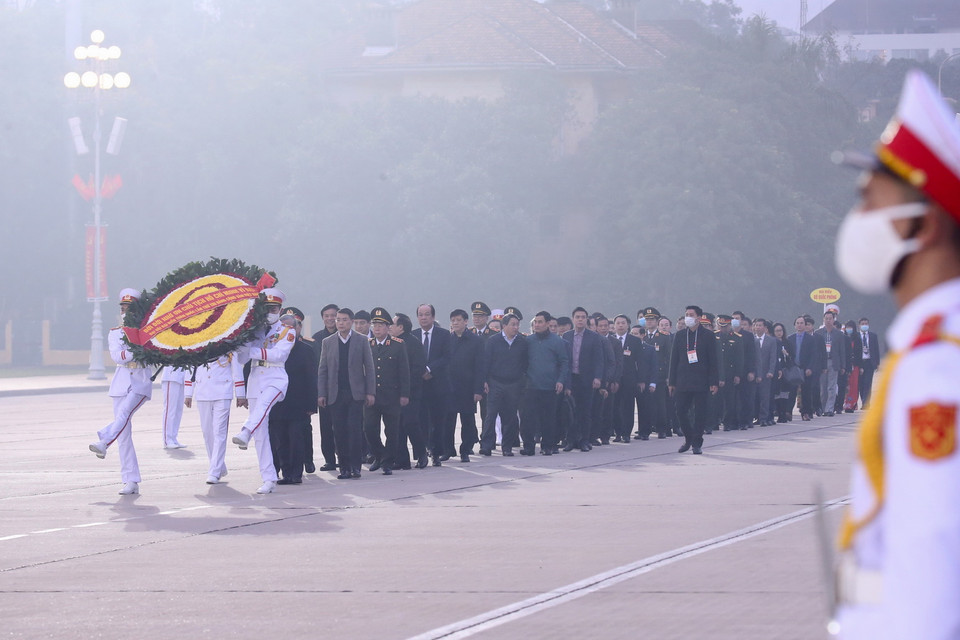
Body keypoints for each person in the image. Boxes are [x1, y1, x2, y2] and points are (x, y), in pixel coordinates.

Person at [833, 70, 960, 639]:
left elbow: (934, 546)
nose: (857, 220)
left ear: (925, 226)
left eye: (869, 201)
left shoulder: (938, 364)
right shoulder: (928, 346)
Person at [230, 288, 295, 494]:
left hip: (275, 377)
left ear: (280, 310)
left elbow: (279, 355)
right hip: (255, 379)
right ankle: (268, 478)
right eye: (266, 309)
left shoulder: (287, 330)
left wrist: (251, 350)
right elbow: (242, 359)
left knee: (264, 406)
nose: (270, 312)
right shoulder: (254, 331)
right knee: (261, 432)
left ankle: (245, 431)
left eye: (274, 309)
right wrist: (237, 344)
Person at [88, 288, 153, 495]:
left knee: (123, 414)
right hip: (121, 383)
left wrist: (140, 345)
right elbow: (118, 357)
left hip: (140, 382)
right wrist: (137, 348)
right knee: (123, 434)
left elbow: (152, 353)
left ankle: (104, 440)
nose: (125, 312)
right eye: (123, 308)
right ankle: (130, 480)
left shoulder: (148, 330)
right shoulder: (115, 332)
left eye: (129, 308)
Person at [316, 308, 376, 479]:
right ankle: (344, 468)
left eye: (344, 320)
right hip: (335, 394)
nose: (340, 323)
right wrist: (322, 393)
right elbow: (323, 369)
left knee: (354, 430)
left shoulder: (361, 340)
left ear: (351, 322)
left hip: (355, 394)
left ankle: (356, 466)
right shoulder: (328, 342)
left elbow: (369, 367)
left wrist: (370, 392)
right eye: (338, 320)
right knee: (339, 431)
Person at [268, 313, 318, 485]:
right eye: (283, 327)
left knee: (296, 440)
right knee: (280, 441)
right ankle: (286, 473)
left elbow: (312, 379)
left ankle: (296, 474)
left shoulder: (306, 350)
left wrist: (311, 404)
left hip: (298, 404)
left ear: (297, 329)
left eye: (291, 327)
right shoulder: (272, 349)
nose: (287, 330)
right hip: (277, 403)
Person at [185, 350, 247, 484]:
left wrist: (240, 394)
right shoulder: (197, 343)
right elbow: (191, 367)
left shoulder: (228, 343)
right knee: (207, 433)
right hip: (202, 390)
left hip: (223, 390)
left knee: (219, 432)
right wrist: (188, 393)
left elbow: (237, 369)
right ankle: (220, 466)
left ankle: (214, 472)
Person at [363, 308, 409, 476]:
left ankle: (388, 462)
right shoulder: (367, 344)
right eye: (374, 325)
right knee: (369, 429)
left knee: (392, 431)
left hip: (391, 396)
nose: (377, 328)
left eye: (381, 325)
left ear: (388, 327)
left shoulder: (398, 345)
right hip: (372, 396)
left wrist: (405, 394)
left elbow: (404, 371)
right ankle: (379, 455)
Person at [668, 305, 719, 455]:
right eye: (686, 314)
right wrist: (671, 382)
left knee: (700, 413)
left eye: (691, 314)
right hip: (682, 380)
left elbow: (713, 360)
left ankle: (697, 442)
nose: (688, 317)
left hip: (701, 380)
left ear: (699, 318)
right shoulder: (680, 335)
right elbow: (674, 359)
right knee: (680, 411)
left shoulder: (708, 335)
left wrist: (714, 382)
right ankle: (689, 437)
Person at [479, 313, 528, 456]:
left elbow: (525, 363)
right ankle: (487, 445)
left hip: (513, 384)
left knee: (510, 416)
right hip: (495, 383)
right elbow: (486, 362)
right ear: (504, 325)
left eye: (517, 325)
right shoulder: (493, 341)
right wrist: (485, 380)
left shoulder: (522, 342)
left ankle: (507, 447)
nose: (516, 327)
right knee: (491, 415)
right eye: (513, 324)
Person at [522, 311, 569, 455]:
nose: (537, 325)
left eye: (540, 322)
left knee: (548, 418)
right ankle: (528, 447)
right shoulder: (528, 341)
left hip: (550, 386)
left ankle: (547, 446)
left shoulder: (557, 341)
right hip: (531, 386)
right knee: (527, 418)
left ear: (548, 324)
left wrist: (561, 380)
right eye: (535, 322)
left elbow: (564, 362)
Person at [413, 303, 452, 462]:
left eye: (427, 314)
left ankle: (436, 452)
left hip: (438, 385)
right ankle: (422, 451)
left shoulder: (444, 334)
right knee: (420, 420)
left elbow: (447, 357)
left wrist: (429, 369)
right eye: (420, 315)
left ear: (433, 317)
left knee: (438, 421)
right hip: (419, 385)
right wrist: (421, 371)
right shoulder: (413, 335)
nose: (423, 317)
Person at [562, 307, 604, 452]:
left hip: (587, 379)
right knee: (570, 412)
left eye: (583, 317)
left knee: (585, 411)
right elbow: (564, 360)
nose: (580, 319)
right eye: (577, 317)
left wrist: (598, 377)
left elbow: (599, 359)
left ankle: (585, 440)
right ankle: (570, 440)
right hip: (571, 379)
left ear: (586, 319)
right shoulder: (566, 336)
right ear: (573, 319)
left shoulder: (594, 337)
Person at [446, 309, 484, 462]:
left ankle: (465, 449)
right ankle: (448, 449)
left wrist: (478, 390)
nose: (455, 323)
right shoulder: (448, 339)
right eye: (453, 320)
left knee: (467, 420)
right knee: (448, 420)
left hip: (468, 387)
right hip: (450, 387)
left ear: (466, 321)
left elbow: (480, 367)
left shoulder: (475, 341)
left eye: (458, 320)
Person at [311, 303, 340, 472]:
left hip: (343, 389)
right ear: (322, 318)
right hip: (325, 391)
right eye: (327, 316)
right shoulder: (316, 339)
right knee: (326, 427)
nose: (330, 319)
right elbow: (315, 367)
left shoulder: (346, 336)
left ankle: (345, 457)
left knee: (344, 426)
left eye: (333, 316)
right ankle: (329, 459)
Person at [815, 310, 847, 417]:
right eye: (826, 318)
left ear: (834, 320)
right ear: (823, 320)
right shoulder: (818, 333)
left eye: (830, 319)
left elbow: (842, 351)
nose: (828, 320)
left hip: (834, 362)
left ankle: (829, 409)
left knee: (832, 387)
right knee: (823, 387)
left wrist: (843, 366)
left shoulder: (839, 334)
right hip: (822, 363)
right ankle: (823, 408)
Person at [789, 315, 818, 421]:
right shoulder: (790, 338)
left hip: (806, 368)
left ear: (805, 325)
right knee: (792, 391)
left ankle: (806, 412)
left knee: (806, 392)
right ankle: (788, 412)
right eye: (797, 323)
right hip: (794, 368)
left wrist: (810, 368)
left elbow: (813, 355)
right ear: (794, 325)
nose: (799, 325)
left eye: (802, 323)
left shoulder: (811, 339)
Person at [754, 318, 778, 426]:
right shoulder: (752, 339)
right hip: (754, 373)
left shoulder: (771, 340)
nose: (758, 327)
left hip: (766, 373)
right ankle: (756, 417)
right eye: (756, 325)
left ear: (765, 328)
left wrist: (771, 371)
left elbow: (773, 357)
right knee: (755, 397)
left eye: (760, 325)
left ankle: (763, 418)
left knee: (765, 397)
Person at [855, 317, 882, 409]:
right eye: (862, 324)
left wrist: (877, 363)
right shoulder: (856, 336)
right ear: (859, 325)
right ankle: (862, 399)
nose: (864, 325)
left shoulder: (873, 336)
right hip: (860, 362)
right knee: (860, 383)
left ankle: (866, 403)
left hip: (869, 362)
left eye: (866, 324)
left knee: (868, 383)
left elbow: (876, 350)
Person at [159, 366, 187, 449]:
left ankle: (173, 438)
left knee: (178, 410)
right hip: (171, 376)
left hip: (181, 376)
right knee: (170, 410)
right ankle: (167, 439)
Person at [842, 320, 861, 413]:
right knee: (846, 384)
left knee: (854, 384)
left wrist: (860, 366)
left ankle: (852, 403)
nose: (849, 329)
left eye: (851, 327)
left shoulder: (857, 339)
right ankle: (845, 402)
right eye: (847, 327)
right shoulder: (843, 338)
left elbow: (860, 354)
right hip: (845, 365)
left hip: (855, 365)